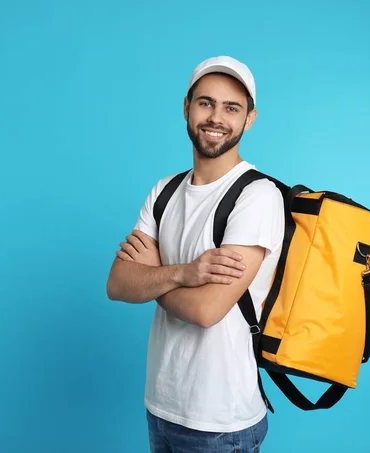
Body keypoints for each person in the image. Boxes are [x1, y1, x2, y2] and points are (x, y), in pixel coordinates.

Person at [106, 56, 285, 453]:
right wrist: (183, 273)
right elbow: (117, 284)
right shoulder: (165, 191)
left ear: (249, 119)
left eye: (231, 107)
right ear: (186, 107)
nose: (216, 117)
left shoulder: (257, 196)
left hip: (221, 420)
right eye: (206, 103)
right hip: (161, 405)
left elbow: (207, 311)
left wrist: (152, 275)